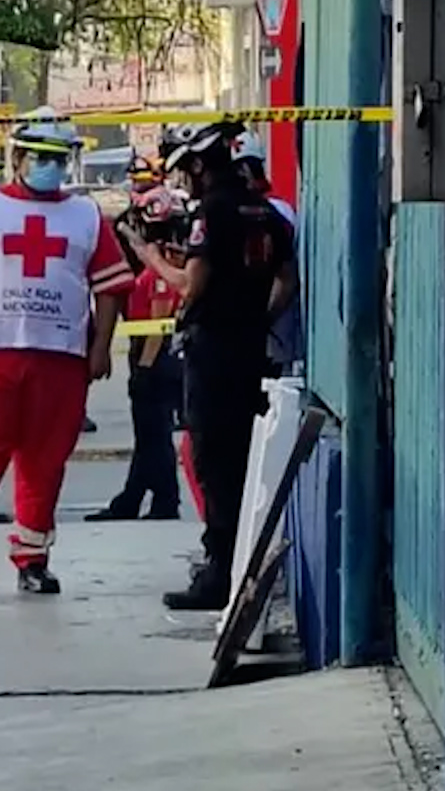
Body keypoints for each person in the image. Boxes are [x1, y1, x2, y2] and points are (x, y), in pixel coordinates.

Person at [0, 108, 133, 595]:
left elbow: (110, 287)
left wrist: (101, 347)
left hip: (59, 361)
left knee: (45, 462)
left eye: (59, 159)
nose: (51, 168)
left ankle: (32, 560)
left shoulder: (86, 216)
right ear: (17, 157)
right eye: (41, 157)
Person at [130, 121, 297, 611]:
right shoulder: (264, 211)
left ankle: (220, 572)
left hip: (214, 352)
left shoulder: (213, 211)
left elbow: (191, 284)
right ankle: (238, 564)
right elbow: (286, 279)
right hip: (252, 349)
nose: (183, 180)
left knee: (213, 460)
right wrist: (258, 318)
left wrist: (150, 257)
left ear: (201, 165)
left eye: (185, 170)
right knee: (243, 459)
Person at [88, 186, 186, 522]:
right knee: (149, 438)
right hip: (153, 359)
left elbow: (158, 323)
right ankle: (135, 499)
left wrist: (144, 370)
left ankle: (163, 501)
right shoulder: (159, 265)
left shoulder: (159, 271)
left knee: (154, 437)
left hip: (155, 363)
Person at [231, 132, 303, 375]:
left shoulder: (272, 212)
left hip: (275, 340)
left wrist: (262, 321)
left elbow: (285, 276)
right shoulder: (271, 208)